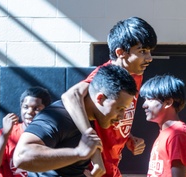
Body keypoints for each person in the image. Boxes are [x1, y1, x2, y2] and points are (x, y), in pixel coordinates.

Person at [61, 17, 157, 176]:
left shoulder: (136, 75)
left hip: (113, 164)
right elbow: (72, 95)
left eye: (149, 51)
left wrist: (128, 137)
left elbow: (111, 115)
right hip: (95, 168)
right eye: (142, 51)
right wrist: (94, 152)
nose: (149, 58)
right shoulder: (104, 76)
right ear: (120, 53)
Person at [12, 64, 137, 177]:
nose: (122, 116)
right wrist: (78, 153)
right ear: (100, 98)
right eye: (119, 108)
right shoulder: (59, 116)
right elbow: (21, 156)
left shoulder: (90, 119)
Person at [0, 86, 52, 177]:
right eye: (26, 107)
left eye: (36, 109)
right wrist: (5, 134)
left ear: (46, 111)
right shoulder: (6, 133)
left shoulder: (53, 134)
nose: (29, 112)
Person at [140, 74, 186, 177]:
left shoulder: (178, 134)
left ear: (168, 102)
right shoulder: (166, 133)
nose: (144, 105)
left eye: (149, 99)